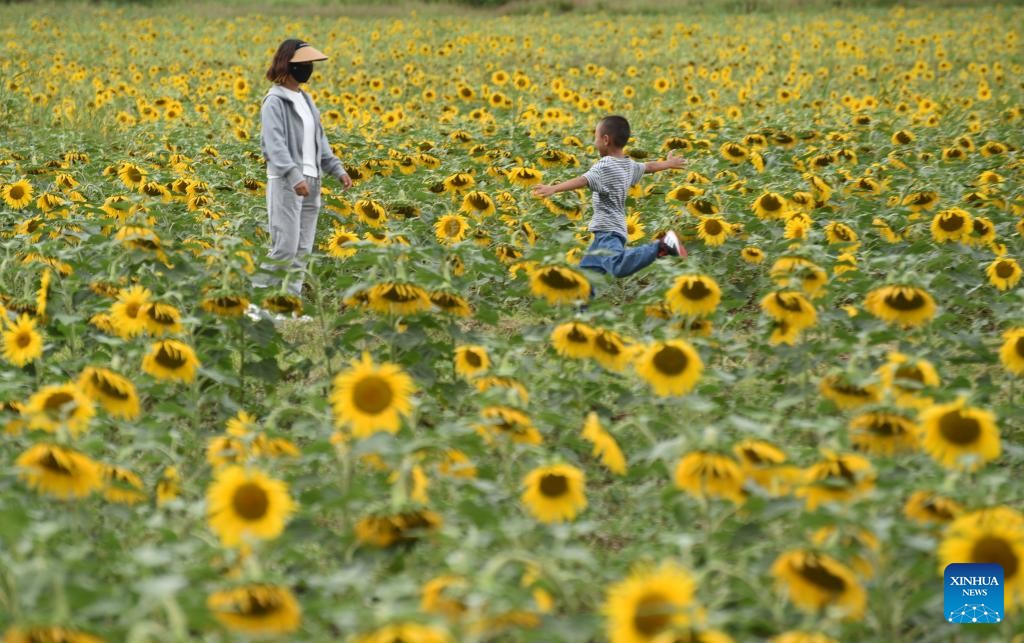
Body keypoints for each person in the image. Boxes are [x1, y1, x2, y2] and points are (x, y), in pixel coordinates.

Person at [249, 39, 352, 320]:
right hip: (286, 181)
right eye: (303, 64)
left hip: (313, 178)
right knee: (284, 246)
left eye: (309, 65)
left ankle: (288, 308)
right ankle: (256, 306)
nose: (307, 69)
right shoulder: (274, 101)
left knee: (302, 250)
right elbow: (274, 143)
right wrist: (294, 176)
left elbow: (319, 139)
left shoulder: (306, 99)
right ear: (288, 64)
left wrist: (337, 168)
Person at [532, 115, 686, 293]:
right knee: (585, 278)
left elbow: (584, 180)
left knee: (617, 265)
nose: (594, 142)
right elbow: (648, 167)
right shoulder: (627, 164)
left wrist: (554, 188)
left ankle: (663, 246)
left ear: (605, 140)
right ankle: (579, 314)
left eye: (596, 137)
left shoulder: (605, 165)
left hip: (608, 230)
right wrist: (668, 163)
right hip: (610, 229)